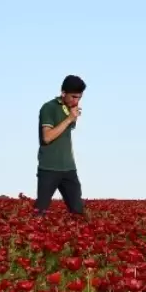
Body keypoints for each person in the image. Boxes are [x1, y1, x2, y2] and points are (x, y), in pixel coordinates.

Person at [36, 75, 87, 216]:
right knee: (40, 212)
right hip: (49, 168)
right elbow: (47, 137)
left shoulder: (70, 109)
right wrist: (69, 119)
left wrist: (71, 117)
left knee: (78, 213)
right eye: (74, 97)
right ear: (63, 93)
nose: (76, 101)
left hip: (69, 168)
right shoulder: (49, 108)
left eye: (80, 97)